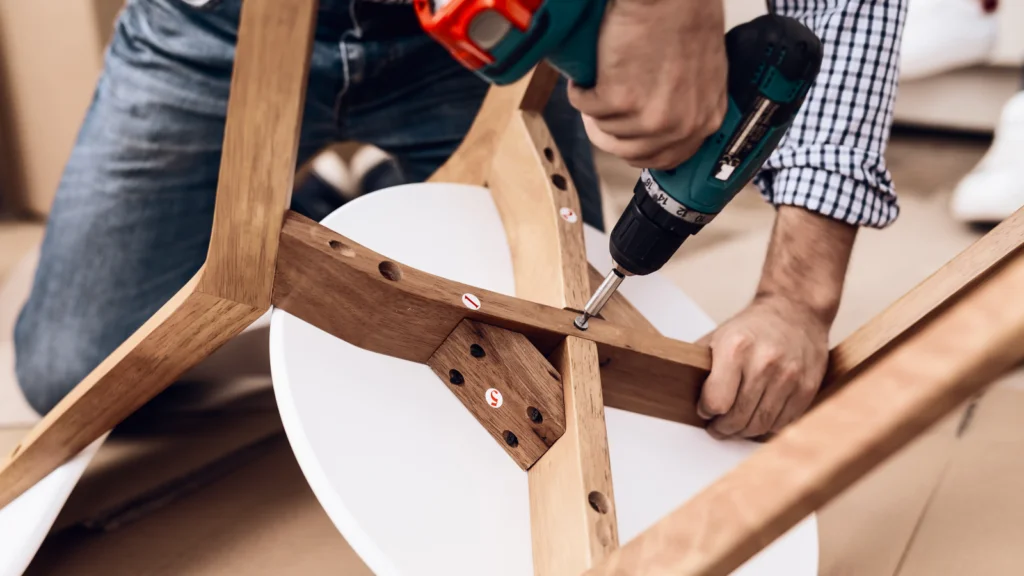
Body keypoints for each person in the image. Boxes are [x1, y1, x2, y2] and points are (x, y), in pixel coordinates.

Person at [15, 0, 906, 440]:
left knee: (551, 372)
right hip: (214, 26)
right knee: (72, 369)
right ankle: (333, 220)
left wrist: (799, 296)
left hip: (466, 49)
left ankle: (352, 210)